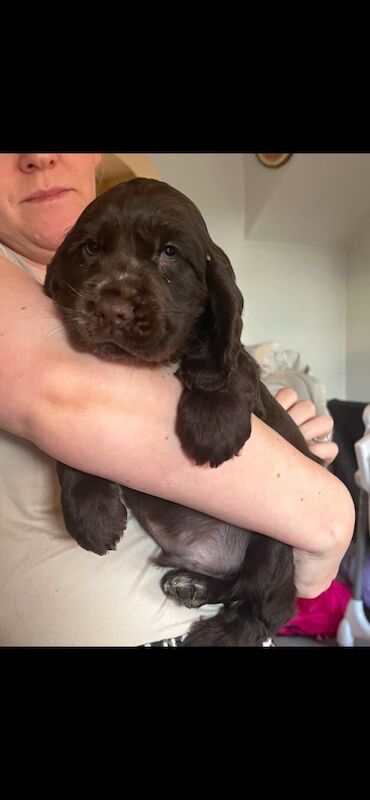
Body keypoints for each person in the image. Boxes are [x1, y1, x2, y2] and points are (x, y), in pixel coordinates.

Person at [0, 153, 354, 647]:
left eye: (166, 253)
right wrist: (326, 511)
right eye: (90, 251)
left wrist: (283, 458)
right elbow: (68, 398)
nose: (39, 156)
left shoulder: (193, 310)